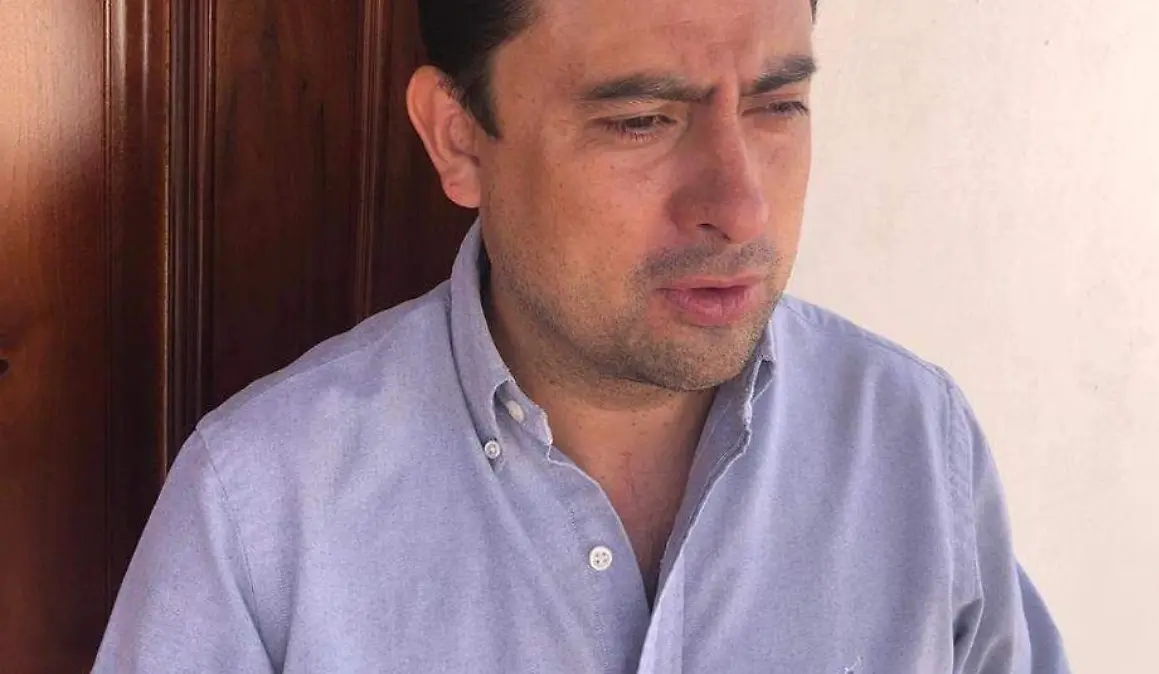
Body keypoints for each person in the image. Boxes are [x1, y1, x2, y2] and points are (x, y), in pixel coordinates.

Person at [94, 0, 1071, 671]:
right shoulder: (260, 509)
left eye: (778, 106)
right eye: (642, 120)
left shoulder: (913, 442)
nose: (740, 206)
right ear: (458, 137)